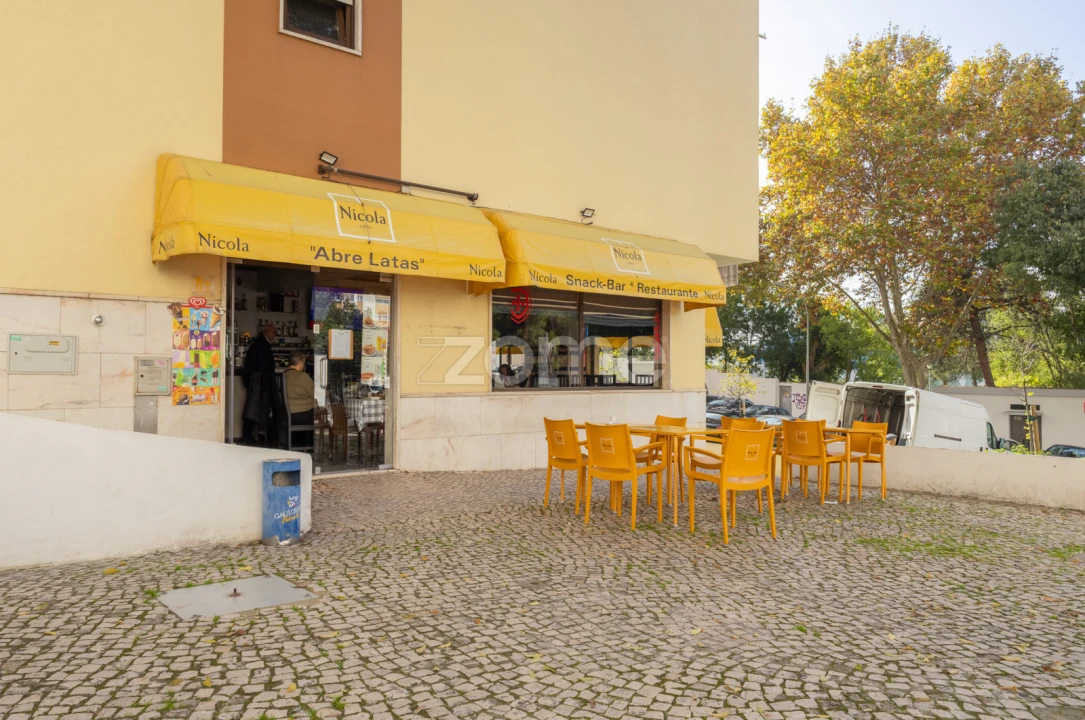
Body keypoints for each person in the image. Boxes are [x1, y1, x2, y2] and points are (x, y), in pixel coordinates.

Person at [241, 323, 276, 444]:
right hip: (258, 381)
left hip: (254, 380)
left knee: (253, 409)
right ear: (268, 332)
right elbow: (265, 366)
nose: (275, 336)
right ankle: (248, 436)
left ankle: (250, 436)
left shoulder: (259, 343)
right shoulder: (263, 345)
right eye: (274, 333)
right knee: (254, 410)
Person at [283, 350, 316, 447]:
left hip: (285, 414)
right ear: (300, 363)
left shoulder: (283, 374)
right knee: (322, 414)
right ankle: (316, 445)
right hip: (300, 415)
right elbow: (315, 394)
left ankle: (301, 442)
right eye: (304, 363)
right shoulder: (302, 376)